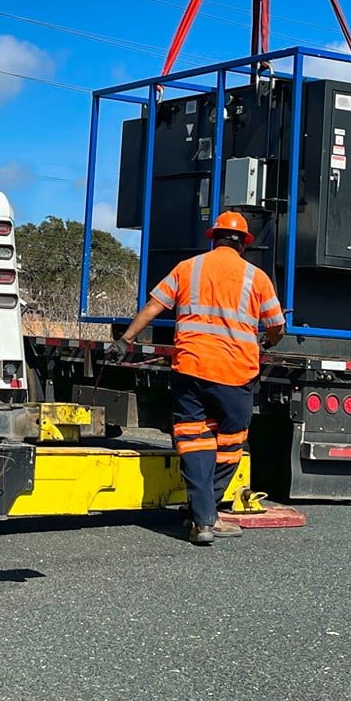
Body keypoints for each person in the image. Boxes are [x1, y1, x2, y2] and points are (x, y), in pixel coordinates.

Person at [111, 211, 285, 545]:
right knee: (231, 444)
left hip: (190, 368)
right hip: (235, 373)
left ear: (213, 238)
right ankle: (206, 513)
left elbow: (153, 307)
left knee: (194, 441)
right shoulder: (256, 277)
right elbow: (276, 326)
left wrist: (126, 340)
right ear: (244, 244)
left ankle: (203, 518)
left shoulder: (188, 268)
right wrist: (268, 340)